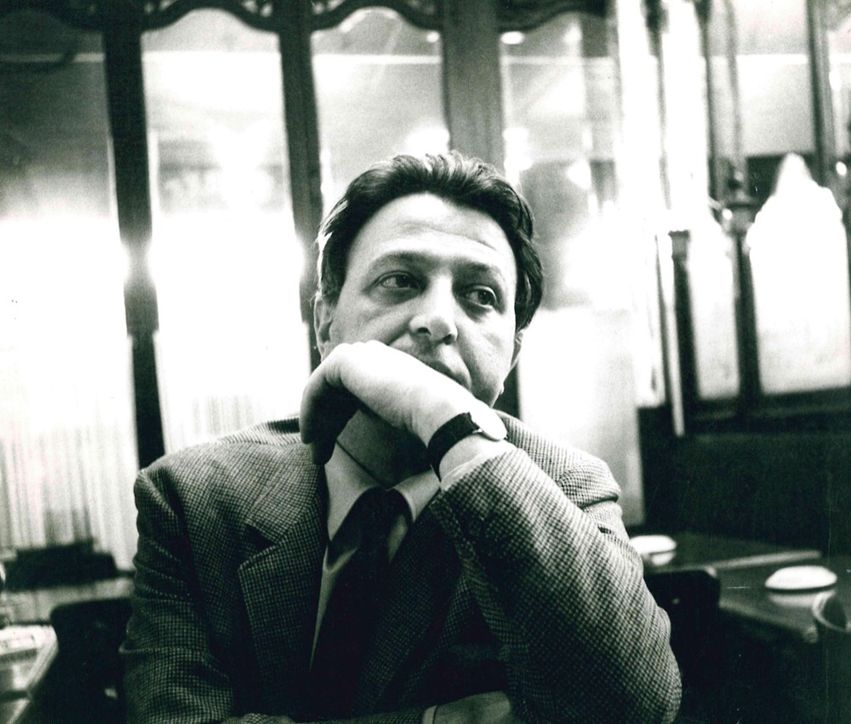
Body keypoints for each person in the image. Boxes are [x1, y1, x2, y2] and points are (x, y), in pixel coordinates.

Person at [122, 152, 681, 723]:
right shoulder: (193, 500)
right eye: (400, 282)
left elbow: (633, 709)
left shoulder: (568, 487)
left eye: (480, 296)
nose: (439, 319)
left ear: (512, 352)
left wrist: (444, 417)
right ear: (325, 321)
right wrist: (438, 722)